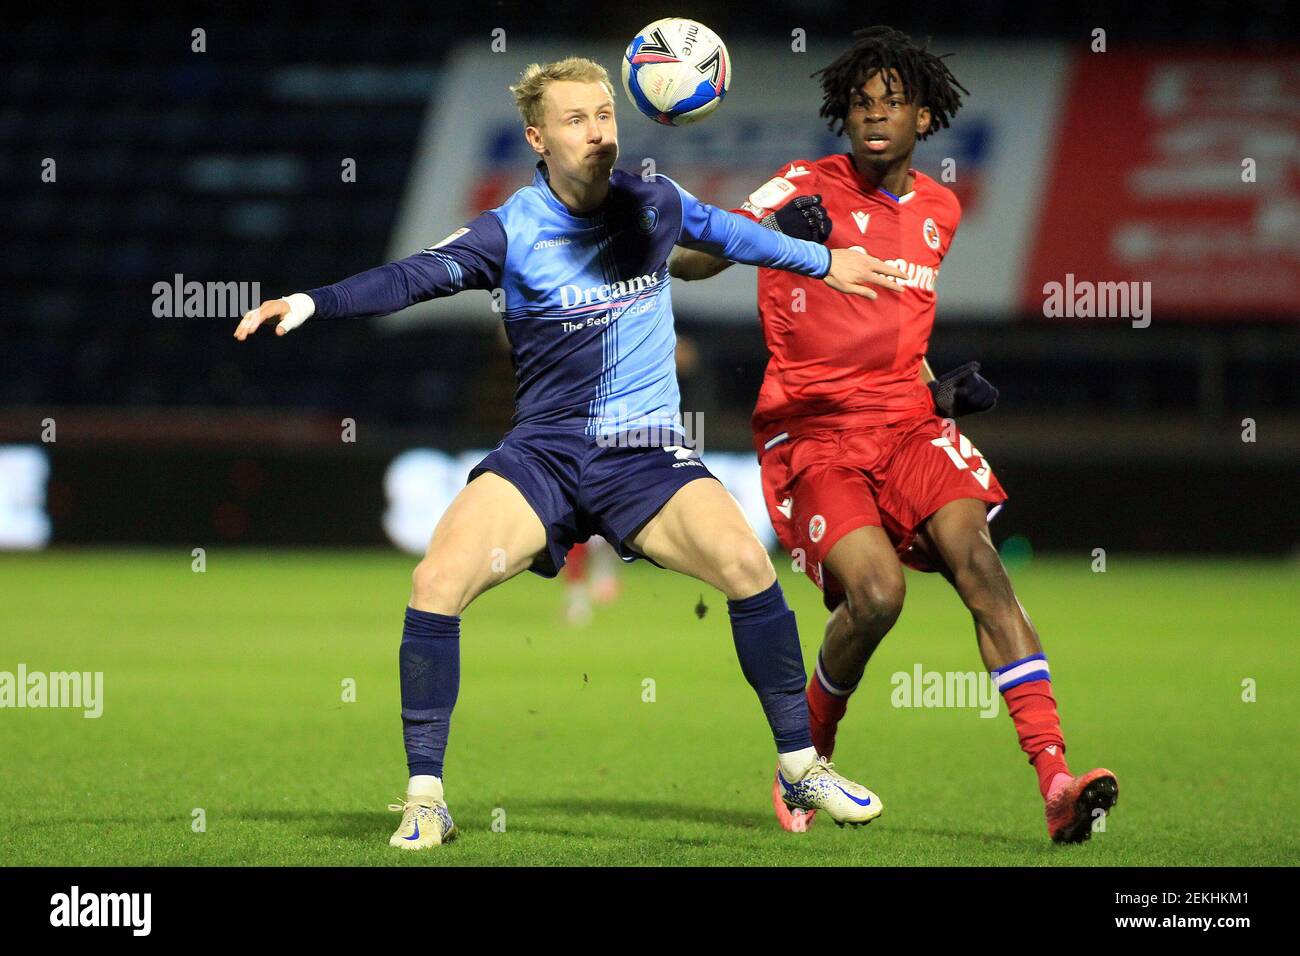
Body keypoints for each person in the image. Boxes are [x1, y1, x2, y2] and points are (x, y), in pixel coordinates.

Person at [235, 56, 908, 849]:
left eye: (606, 115)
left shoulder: (655, 203)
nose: (598, 132)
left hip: (645, 452)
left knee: (747, 566)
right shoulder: (509, 229)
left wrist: (831, 262)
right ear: (538, 138)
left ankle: (801, 763)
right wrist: (313, 300)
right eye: (577, 120)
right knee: (435, 582)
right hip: (546, 455)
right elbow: (411, 278)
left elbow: (734, 237)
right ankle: (425, 797)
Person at [669, 27, 1117, 843]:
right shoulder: (801, 185)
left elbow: (892, 334)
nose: (875, 116)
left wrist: (937, 389)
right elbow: (688, 259)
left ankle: (1055, 778)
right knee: (878, 597)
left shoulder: (940, 209)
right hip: (815, 436)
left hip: (910, 426)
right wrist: (779, 239)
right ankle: (809, 756)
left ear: (924, 118)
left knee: (981, 565)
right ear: (843, 115)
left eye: (893, 102)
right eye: (860, 103)